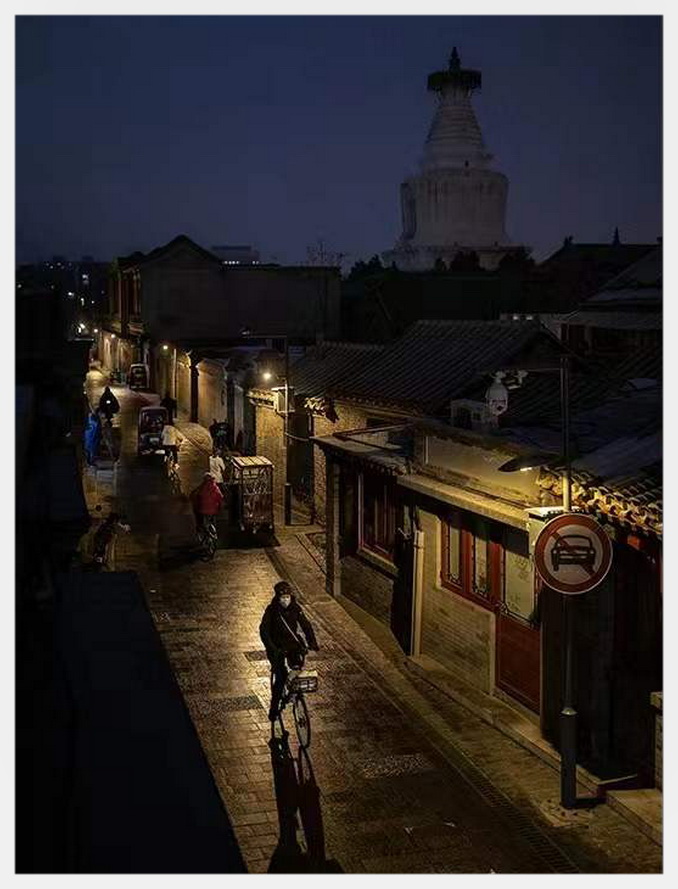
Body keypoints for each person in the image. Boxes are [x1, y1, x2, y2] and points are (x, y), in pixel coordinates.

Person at [260, 581, 319, 721]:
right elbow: (264, 631)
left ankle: (292, 688)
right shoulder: (272, 610)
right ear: (277, 598)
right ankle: (274, 708)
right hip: (277, 646)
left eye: (288, 597)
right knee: (280, 678)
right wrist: (272, 648)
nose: (285, 600)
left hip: (292, 643)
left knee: (297, 667)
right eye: (282, 598)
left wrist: (312, 642)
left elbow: (305, 625)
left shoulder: (295, 608)